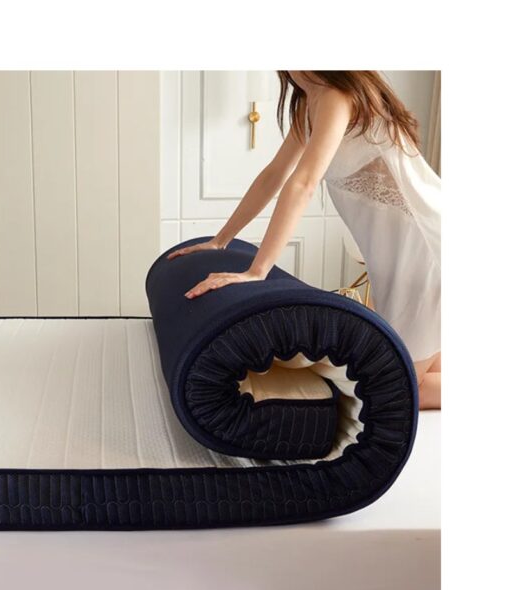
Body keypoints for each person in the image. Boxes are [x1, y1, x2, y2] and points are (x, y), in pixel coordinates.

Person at [167, 71, 441, 410]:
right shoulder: (308, 103)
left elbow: (303, 183)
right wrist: (220, 240)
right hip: (394, 260)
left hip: (421, 255)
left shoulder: (337, 98)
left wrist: (257, 271)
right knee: (420, 372)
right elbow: (274, 175)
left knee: (399, 393)